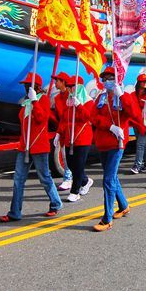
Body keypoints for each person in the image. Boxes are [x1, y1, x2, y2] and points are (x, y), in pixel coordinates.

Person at [0, 73, 62, 222]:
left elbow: (41, 119)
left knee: (45, 178)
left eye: (29, 85)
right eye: (25, 85)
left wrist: (35, 101)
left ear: (37, 87)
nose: (26, 88)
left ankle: (55, 203)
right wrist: (31, 101)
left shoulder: (43, 100)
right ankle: (14, 212)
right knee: (18, 179)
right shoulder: (25, 103)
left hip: (39, 147)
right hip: (24, 147)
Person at [91, 67, 141, 231]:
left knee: (108, 179)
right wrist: (110, 126)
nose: (106, 81)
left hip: (116, 144)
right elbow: (93, 116)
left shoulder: (124, 96)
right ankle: (124, 205)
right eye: (104, 78)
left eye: (110, 78)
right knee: (111, 177)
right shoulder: (101, 96)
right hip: (102, 142)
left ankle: (107, 218)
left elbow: (135, 114)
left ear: (117, 78)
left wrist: (121, 95)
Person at [55, 75, 94, 203]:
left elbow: (88, 117)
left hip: (83, 138)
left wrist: (79, 105)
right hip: (69, 138)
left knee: (78, 165)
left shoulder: (88, 101)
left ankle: (75, 191)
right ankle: (85, 181)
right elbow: (64, 119)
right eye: (69, 87)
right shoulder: (69, 102)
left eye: (73, 86)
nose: (71, 89)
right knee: (71, 164)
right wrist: (58, 133)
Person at [50, 72, 74, 192]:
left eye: (57, 81)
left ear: (63, 82)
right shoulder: (57, 97)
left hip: (72, 129)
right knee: (65, 156)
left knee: (72, 156)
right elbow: (60, 116)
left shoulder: (71, 96)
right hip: (63, 129)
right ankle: (68, 178)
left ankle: (77, 179)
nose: (55, 83)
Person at [129, 73, 146, 175]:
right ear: (139, 83)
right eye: (143, 81)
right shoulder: (132, 95)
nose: (145, 83)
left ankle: (137, 165)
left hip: (144, 123)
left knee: (140, 144)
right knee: (142, 144)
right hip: (135, 123)